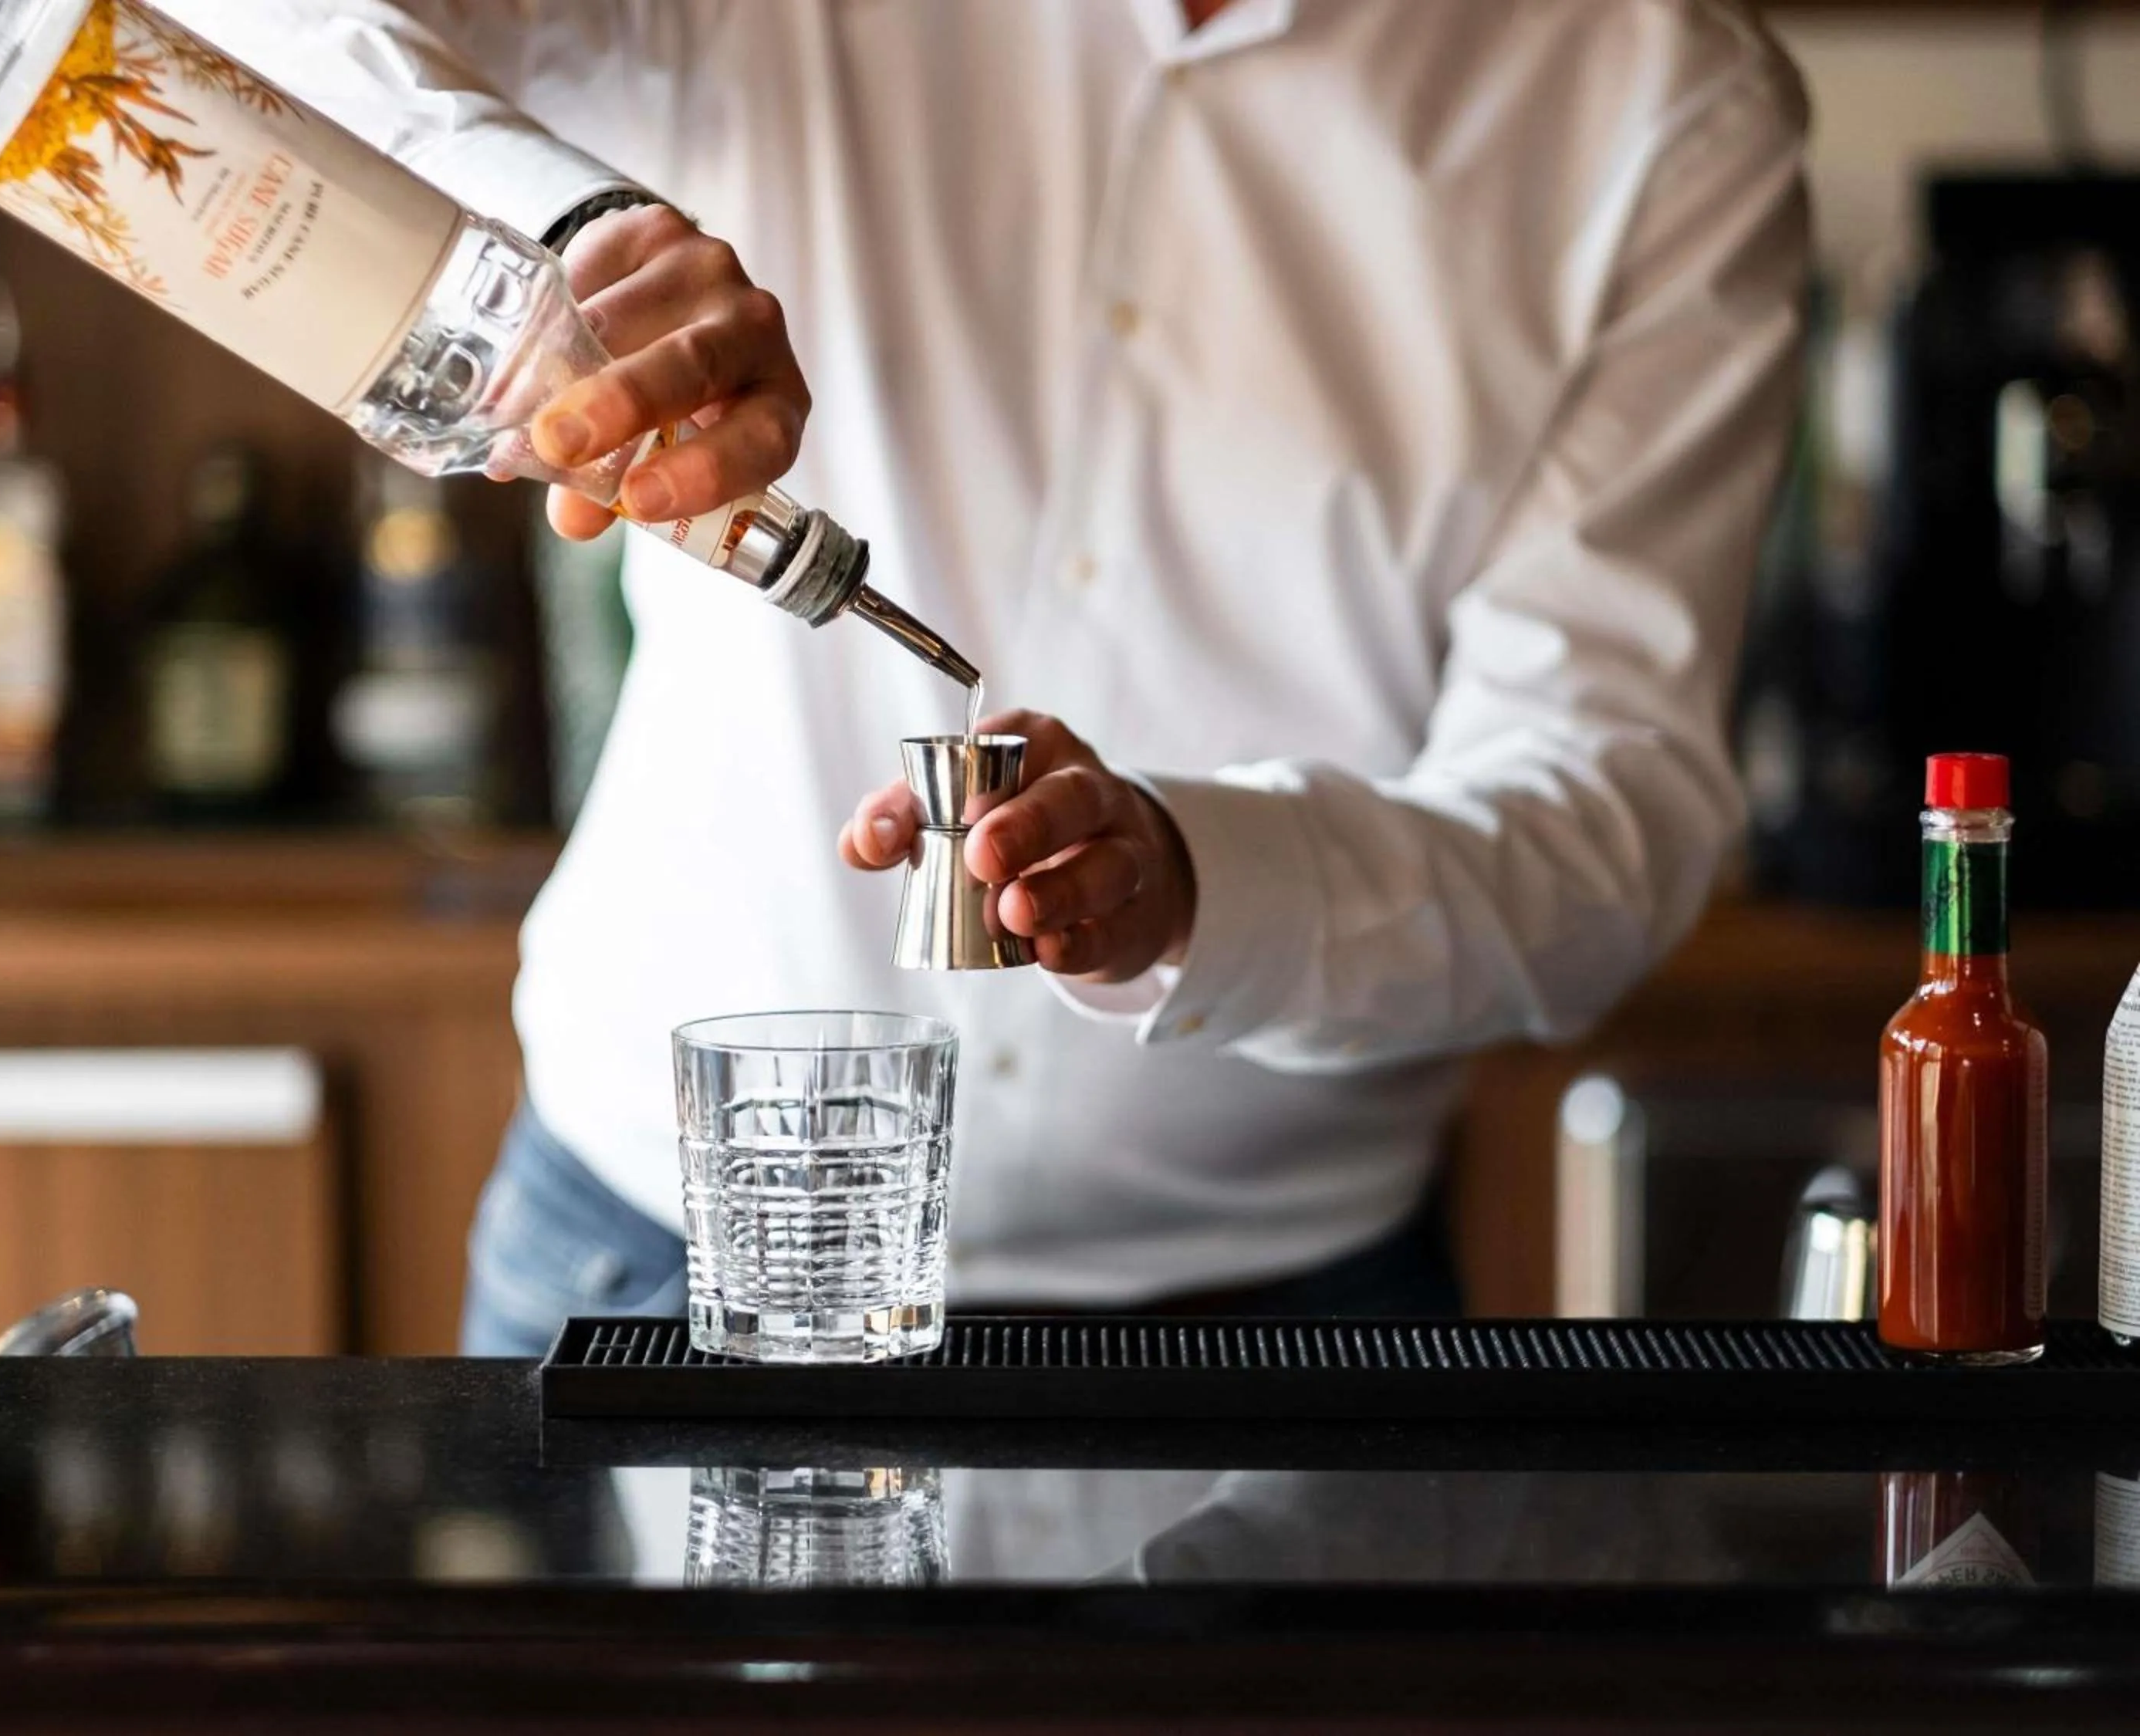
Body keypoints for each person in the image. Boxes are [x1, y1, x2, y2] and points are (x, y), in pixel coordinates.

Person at [175, 0, 1811, 1355]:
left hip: (1274, 1333)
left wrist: (1201, 889)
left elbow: (1604, 825)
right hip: (649, 1268)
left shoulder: (1661, 93)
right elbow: (223, 33)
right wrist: (567, 240)